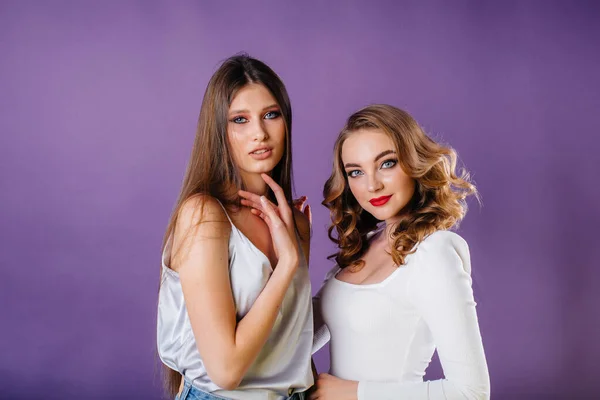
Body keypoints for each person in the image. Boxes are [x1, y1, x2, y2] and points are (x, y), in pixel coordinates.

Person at [157, 54, 313, 400]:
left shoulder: (295, 223)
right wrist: (286, 265)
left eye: (271, 115)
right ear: (219, 131)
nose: (259, 133)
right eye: (240, 120)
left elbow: (288, 339)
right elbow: (226, 370)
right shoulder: (204, 215)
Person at [310, 104, 490, 399]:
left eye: (387, 163)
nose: (372, 184)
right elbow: (291, 346)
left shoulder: (434, 251)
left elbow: (471, 392)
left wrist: (353, 393)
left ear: (414, 161)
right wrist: (290, 251)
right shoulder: (360, 250)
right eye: (356, 172)